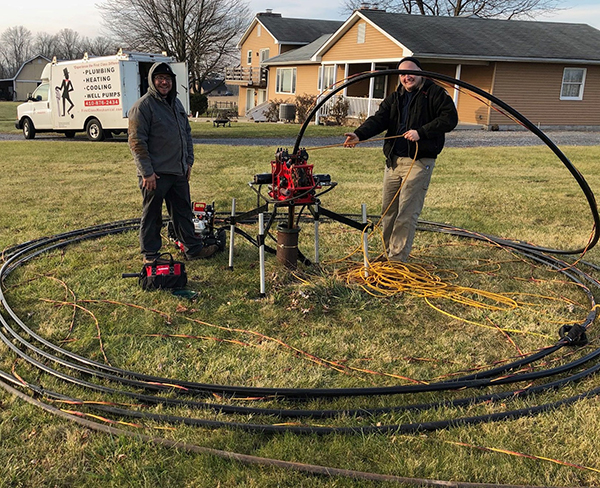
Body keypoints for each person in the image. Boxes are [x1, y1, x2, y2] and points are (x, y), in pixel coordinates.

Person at [344, 57, 458, 262]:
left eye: (411, 72)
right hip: (394, 162)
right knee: (388, 212)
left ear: (421, 72)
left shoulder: (435, 93)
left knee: (406, 213)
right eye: (402, 74)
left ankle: (397, 260)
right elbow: (379, 120)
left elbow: (450, 119)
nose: (407, 77)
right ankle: (388, 254)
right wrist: (359, 135)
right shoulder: (396, 97)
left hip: (419, 162)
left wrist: (421, 132)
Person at [128, 62, 218, 263]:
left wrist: (188, 163)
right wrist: (146, 173)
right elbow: (136, 142)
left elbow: (186, 134)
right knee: (152, 215)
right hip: (155, 174)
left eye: (167, 79)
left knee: (183, 212)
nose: (164, 82)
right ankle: (150, 255)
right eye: (159, 78)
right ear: (152, 81)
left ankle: (193, 249)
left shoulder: (176, 104)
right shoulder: (143, 107)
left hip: (177, 171)